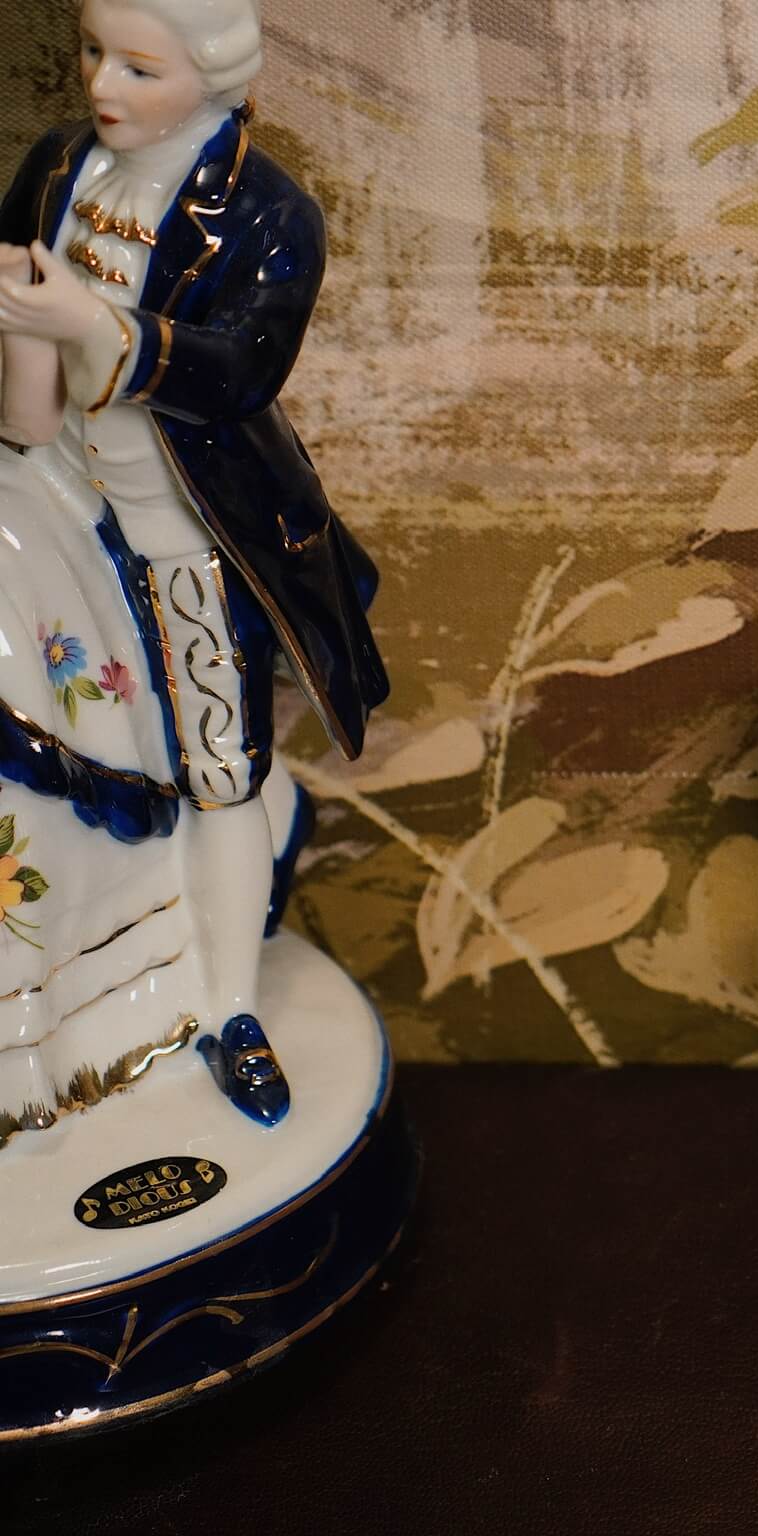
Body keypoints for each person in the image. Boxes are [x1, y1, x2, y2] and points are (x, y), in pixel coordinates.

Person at [0, 0, 387, 1138]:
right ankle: (70, 989)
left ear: (217, 73)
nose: (100, 85)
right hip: (50, 479)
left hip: (181, 524)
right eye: (93, 52)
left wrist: (90, 321)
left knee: (219, 770)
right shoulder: (59, 166)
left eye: (139, 66)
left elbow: (238, 372)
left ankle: (226, 1006)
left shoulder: (268, 215)